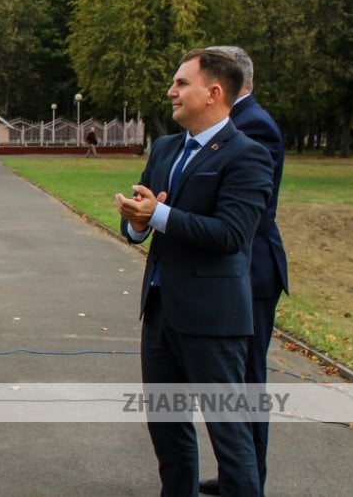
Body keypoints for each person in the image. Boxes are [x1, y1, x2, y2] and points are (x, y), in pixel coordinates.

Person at [114, 48, 273, 496]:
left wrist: (160, 216)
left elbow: (231, 234)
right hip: (161, 310)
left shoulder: (248, 155)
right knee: (167, 431)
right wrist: (137, 222)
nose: (172, 91)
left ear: (215, 92)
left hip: (213, 319)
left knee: (229, 435)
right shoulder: (165, 148)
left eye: (182, 83)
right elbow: (143, 221)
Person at [197, 46, 288, 497]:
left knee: (247, 383)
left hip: (250, 270)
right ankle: (237, 476)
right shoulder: (240, 121)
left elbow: (248, 208)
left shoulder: (252, 126)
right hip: (234, 268)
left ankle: (250, 483)